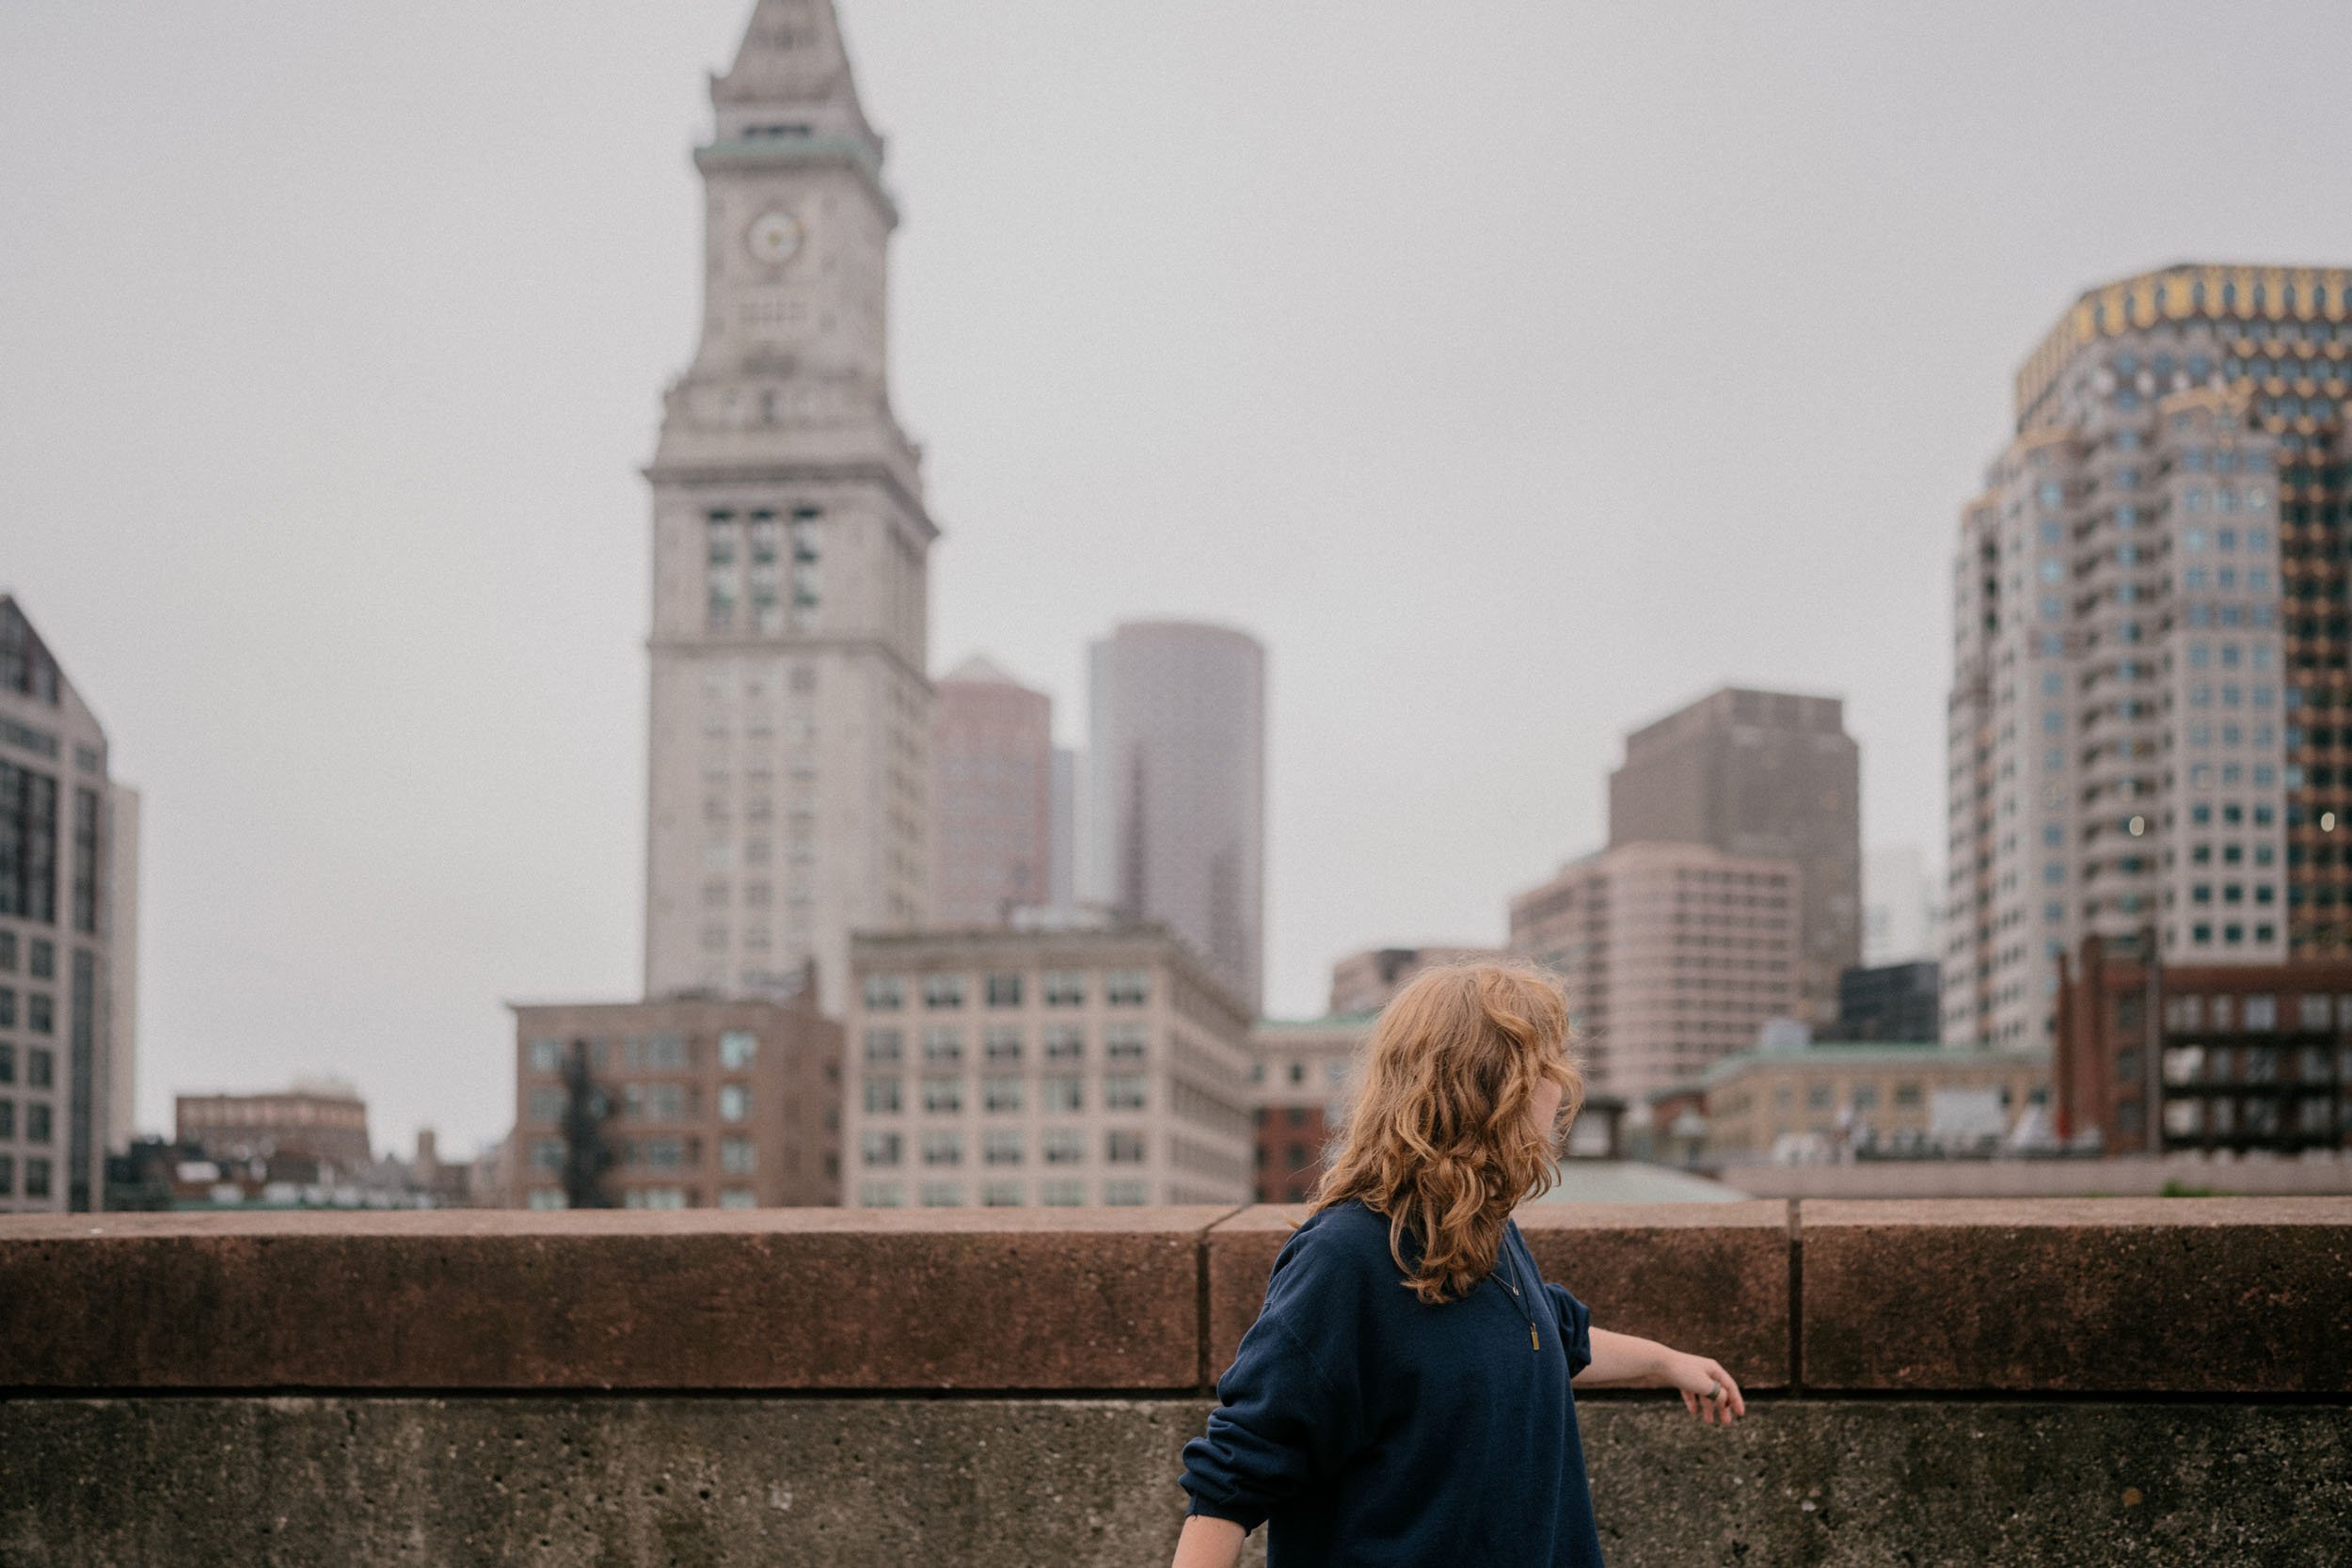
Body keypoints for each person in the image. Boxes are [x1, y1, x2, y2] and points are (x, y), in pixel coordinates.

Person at [1172, 961, 1744, 1568]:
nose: (1563, 1086)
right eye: (1548, 1066)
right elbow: (1234, 1474)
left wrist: (1663, 1360)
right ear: (1496, 1087)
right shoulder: (1346, 1257)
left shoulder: (1484, 1231)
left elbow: (1546, 1335)